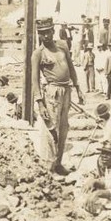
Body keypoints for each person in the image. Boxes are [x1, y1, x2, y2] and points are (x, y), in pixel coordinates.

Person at [31, 16, 83, 175]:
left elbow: (71, 68)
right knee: (51, 129)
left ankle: (58, 163)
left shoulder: (63, 46)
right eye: (42, 33)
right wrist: (40, 103)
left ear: (53, 31)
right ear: (39, 34)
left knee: (63, 128)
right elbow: (34, 80)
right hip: (52, 92)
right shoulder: (38, 54)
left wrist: (78, 87)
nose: (45, 36)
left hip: (66, 90)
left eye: (48, 32)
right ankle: (49, 166)